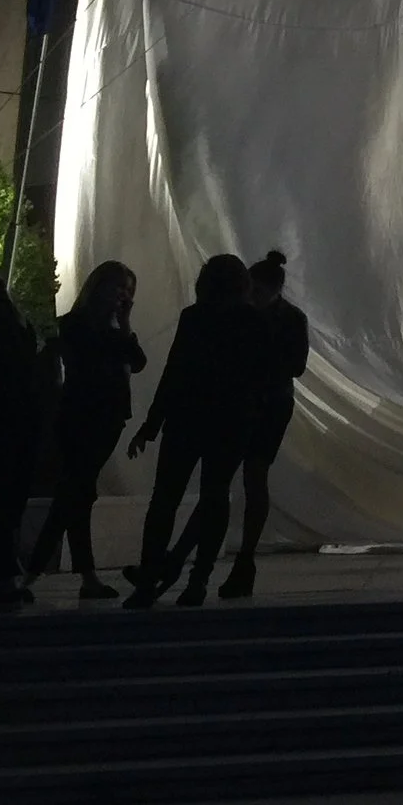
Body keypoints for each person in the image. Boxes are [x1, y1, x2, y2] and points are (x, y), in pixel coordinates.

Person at [124, 253, 263, 609]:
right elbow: (257, 379)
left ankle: (150, 574)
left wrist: (151, 424)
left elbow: (175, 372)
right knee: (215, 499)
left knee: (165, 499)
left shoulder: (194, 318)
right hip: (231, 423)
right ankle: (197, 580)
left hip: (186, 418)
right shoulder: (253, 321)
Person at [26, 261, 146, 599]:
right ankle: (38, 571)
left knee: (77, 493)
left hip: (106, 419)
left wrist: (124, 324)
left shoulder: (110, 329)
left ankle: (66, 575)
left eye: (128, 289)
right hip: (81, 417)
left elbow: (137, 362)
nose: (123, 294)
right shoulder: (78, 326)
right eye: (119, 287)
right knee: (75, 492)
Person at [222, 250, 307, 599]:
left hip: (268, 402)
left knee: (251, 476)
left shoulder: (281, 319)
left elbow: (294, 365)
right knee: (242, 477)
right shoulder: (261, 316)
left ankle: (244, 557)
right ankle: (242, 558)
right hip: (259, 400)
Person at [0, 272, 41, 606]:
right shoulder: (18, 330)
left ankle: (6, 582)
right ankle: (8, 580)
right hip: (17, 428)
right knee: (1, 508)